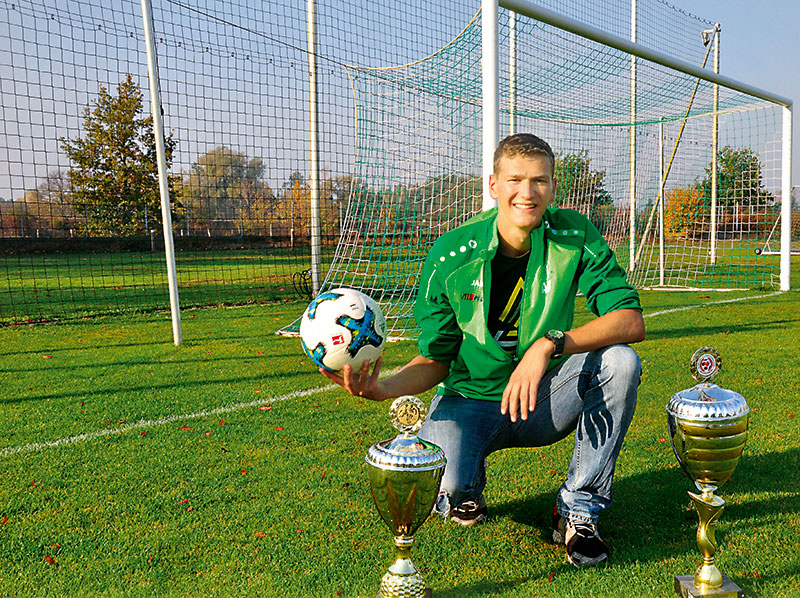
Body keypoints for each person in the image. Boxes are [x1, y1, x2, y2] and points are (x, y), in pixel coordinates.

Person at [321, 133, 645, 568]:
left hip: (542, 396)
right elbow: (436, 359)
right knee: (452, 495)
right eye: (515, 180)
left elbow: (629, 320)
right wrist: (382, 389)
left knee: (620, 362)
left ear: (553, 186)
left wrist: (549, 345)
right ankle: (465, 490)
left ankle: (578, 511)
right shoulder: (450, 255)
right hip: (469, 400)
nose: (527, 193)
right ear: (493, 185)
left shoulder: (574, 234)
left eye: (539, 181)